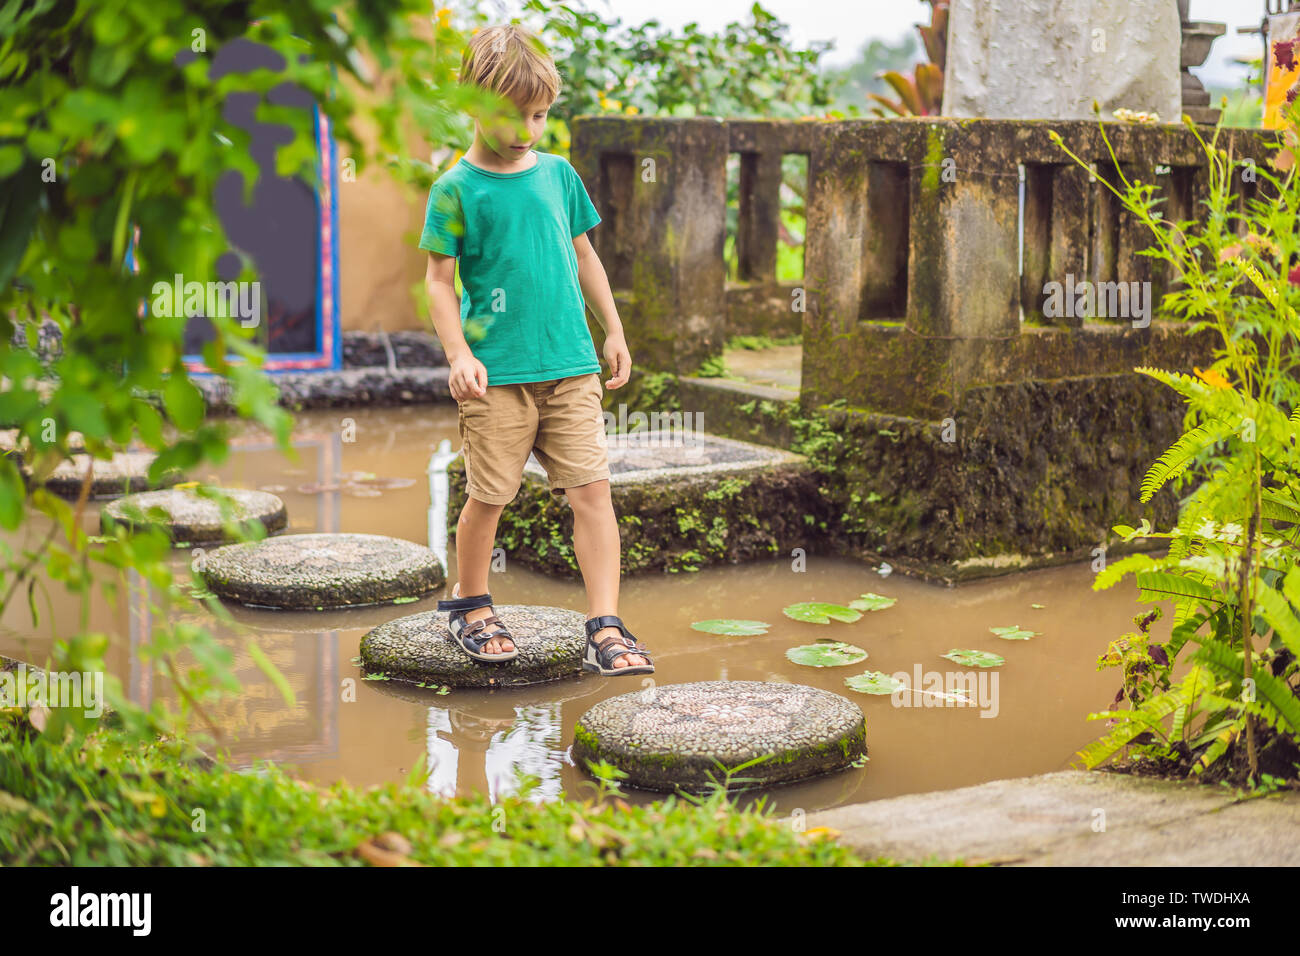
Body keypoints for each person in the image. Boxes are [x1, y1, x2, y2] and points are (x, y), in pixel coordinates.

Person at [419, 24, 653, 676]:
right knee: (489, 496)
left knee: (593, 493)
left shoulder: (558, 175)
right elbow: (439, 283)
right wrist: (458, 354)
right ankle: (469, 602)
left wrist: (613, 329)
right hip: (497, 375)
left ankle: (605, 623)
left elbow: (584, 256)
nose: (526, 128)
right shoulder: (456, 189)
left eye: (540, 114)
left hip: (571, 366)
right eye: (511, 114)